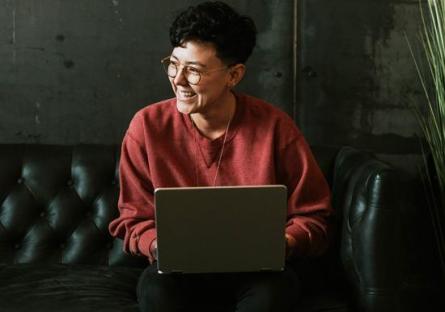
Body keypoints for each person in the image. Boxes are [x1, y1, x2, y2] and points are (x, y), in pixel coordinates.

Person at [109, 1, 332, 311]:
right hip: (178, 273)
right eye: (174, 64)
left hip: (258, 273)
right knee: (157, 293)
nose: (179, 80)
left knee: (273, 295)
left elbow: (314, 217)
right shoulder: (146, 126)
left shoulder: (275, 127)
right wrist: (160, 245)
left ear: (234, 75)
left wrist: (283, 243)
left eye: (195, 71)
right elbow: (133, 219)